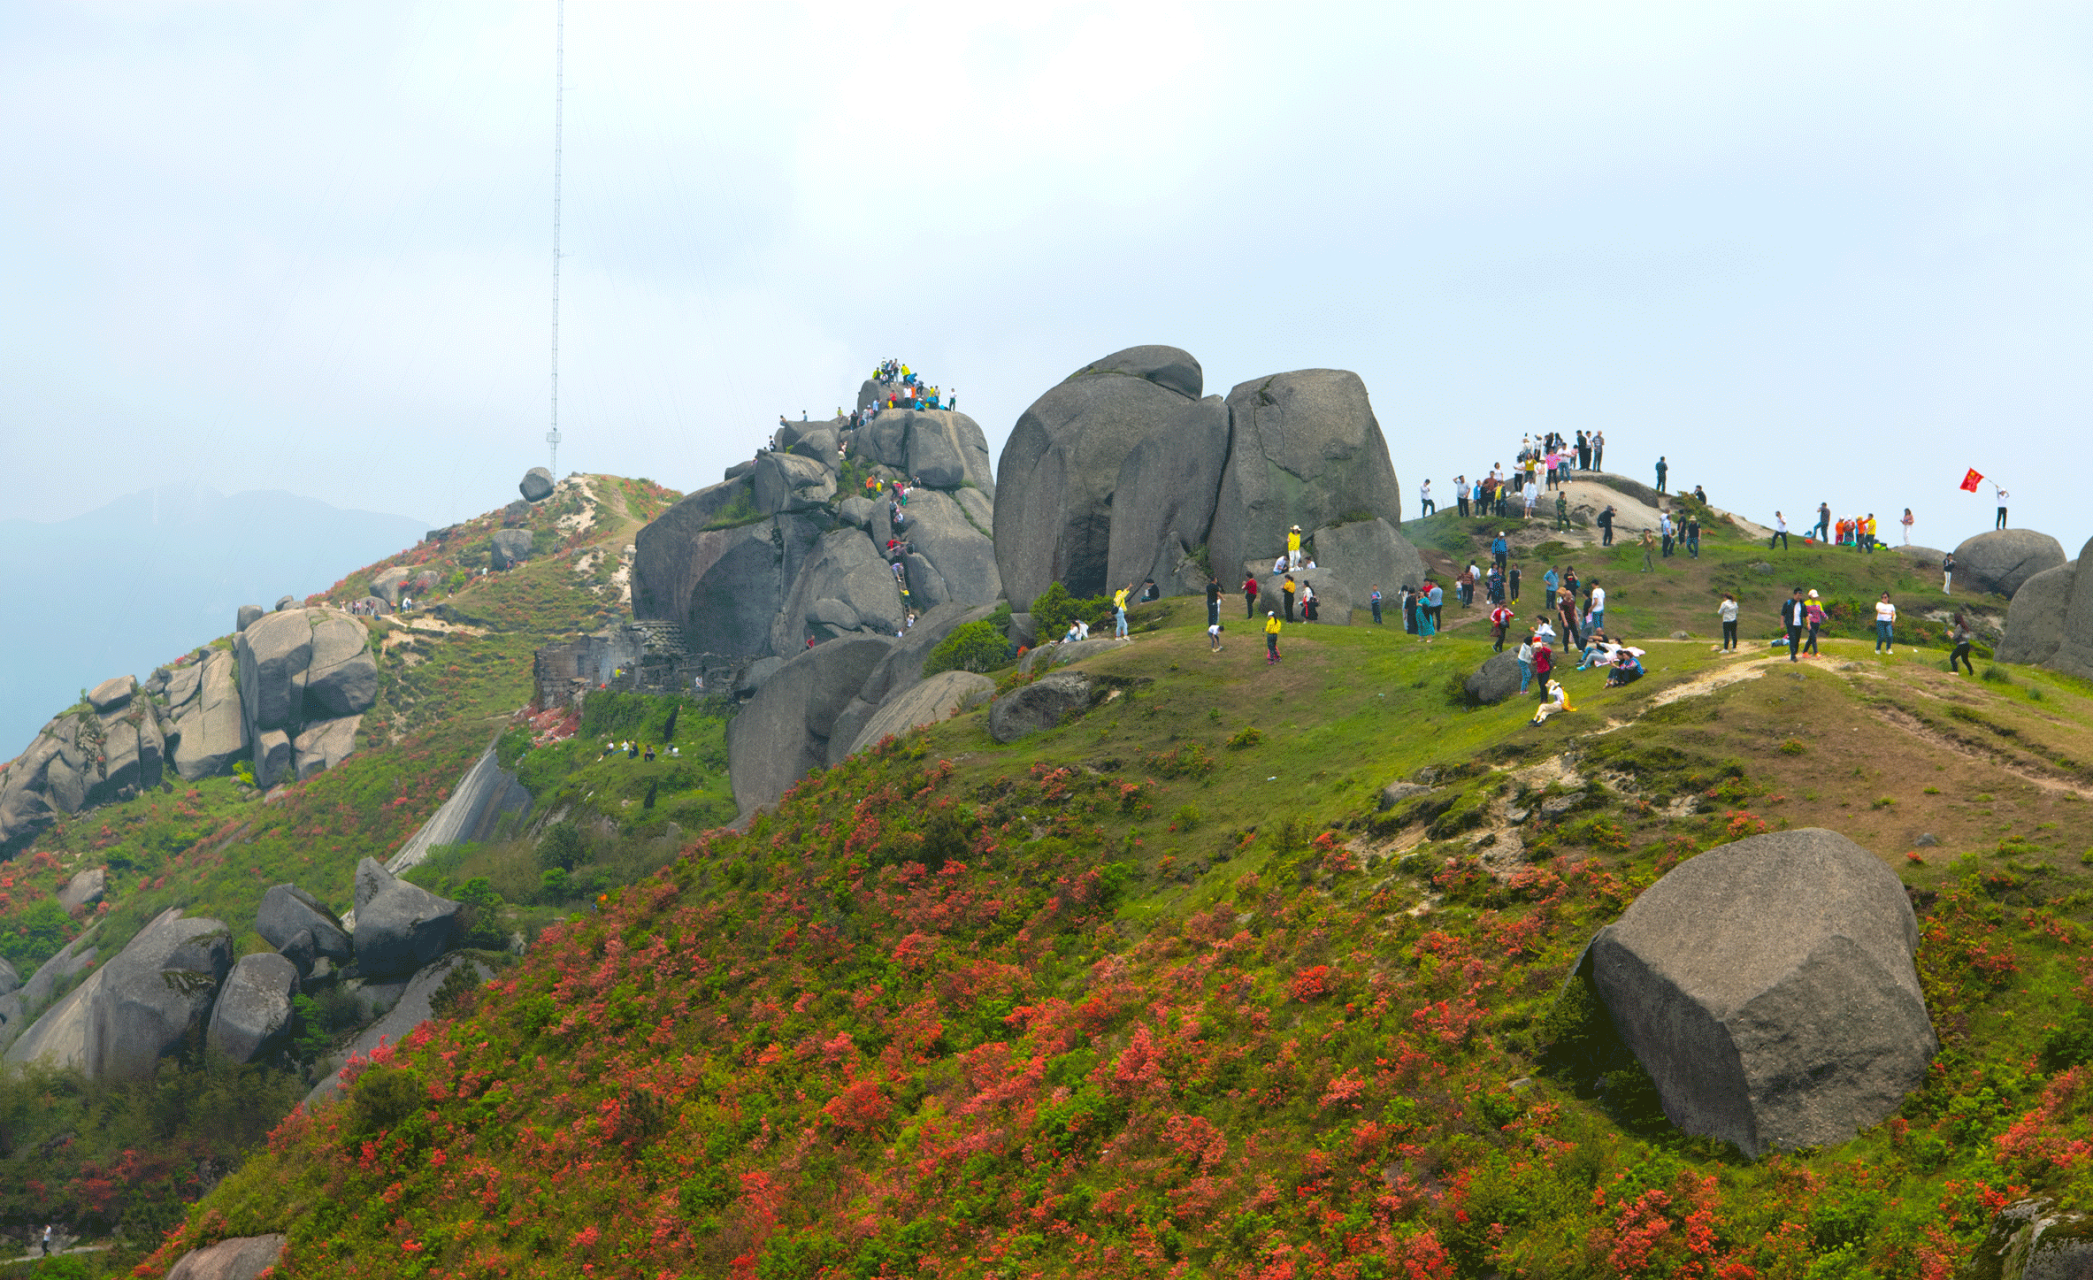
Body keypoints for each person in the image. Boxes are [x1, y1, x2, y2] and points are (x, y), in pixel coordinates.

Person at [1782, 588, 1807, 662]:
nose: (1800, 596)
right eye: (1799, 594)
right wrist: (1782, 623)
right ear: (1795, 594)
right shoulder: (1788, 603)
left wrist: (1808, 623)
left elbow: (1806, 615)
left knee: (1797, 640)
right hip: (1790, 624)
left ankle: (1795, 652)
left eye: (1801, 594)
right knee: (1792, 639)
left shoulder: (1802, 604)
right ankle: (1793, 655)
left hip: (1799, 624)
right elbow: (1782, 614)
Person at [1804, 590, 1826, 657]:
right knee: (1813, 637)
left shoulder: (1818, 603)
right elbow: (1805, 614)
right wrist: (1808, 623)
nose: (1815, 598)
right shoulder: (1806, 603)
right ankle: (1816, 652)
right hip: (1810, 622)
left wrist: (1825, 616)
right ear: (1810, 596)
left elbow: (1821, 611)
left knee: (1811, 638)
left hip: (1817, 622)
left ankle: (1805, 652)